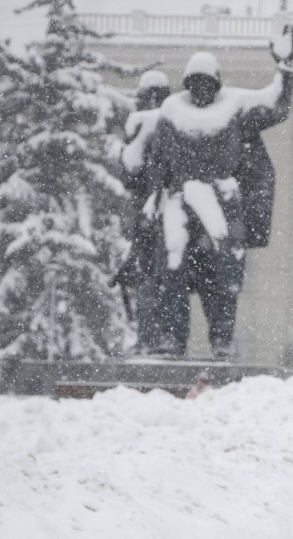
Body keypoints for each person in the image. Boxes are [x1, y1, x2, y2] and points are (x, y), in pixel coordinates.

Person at [145, 27, 293, 359]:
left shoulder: (235, 105)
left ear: (216, 84)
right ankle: (172, 338)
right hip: (180, 201)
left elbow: (276, 107)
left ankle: (222, 340)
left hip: (221, 202)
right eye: (195, 82)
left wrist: (284, 67)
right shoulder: (172, 110)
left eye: (207, 82)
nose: (201, 88)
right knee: (173, 271)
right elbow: (158, 161)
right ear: (187, 83)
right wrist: (152, 199)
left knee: (224, 275)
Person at [115, 70, 173, 352]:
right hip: (145, 217)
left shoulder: (171, 126)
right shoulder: (138, 128)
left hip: (166, 213)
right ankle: (149, 336)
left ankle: (157, 337)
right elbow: (128, 175)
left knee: (156, 279)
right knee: (145, 279)